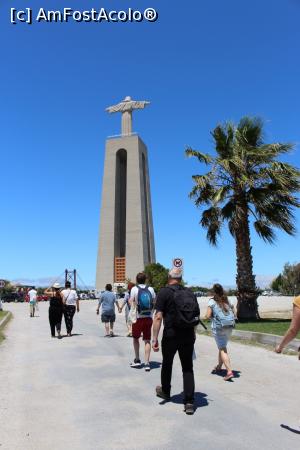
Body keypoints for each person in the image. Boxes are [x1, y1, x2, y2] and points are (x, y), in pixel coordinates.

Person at [152, 267, 199, 415]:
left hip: (171, 334)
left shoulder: (164, 292)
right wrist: (194, 333)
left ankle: (165, 391)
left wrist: (154, 338)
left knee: (167, 363)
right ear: (181, 278)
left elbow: (158, 317)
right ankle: (190, 402)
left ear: (169, 276)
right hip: (187, 335)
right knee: (187, 367)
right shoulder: (189, 293)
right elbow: (195, 317)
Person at [206, 284, 235, 381]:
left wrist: (207, 317)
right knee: (222, 346)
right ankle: (219, 366)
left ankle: (229, 371)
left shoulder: (211, 301)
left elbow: (208, 315)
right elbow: (234, 310)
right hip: (229, 326)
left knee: (222, 349)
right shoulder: (227, 299)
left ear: (214, 292)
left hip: (219, 328)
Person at [129, 273, 156, 371]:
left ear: (136, 280)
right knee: (147, 340)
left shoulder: (134, 289)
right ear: (145, 280)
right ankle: (147, 363)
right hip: (148, 317)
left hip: (137, 318)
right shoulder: (151, 289)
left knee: (136, 338)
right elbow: (154, 302)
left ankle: (137, 359)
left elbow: (131, 302)